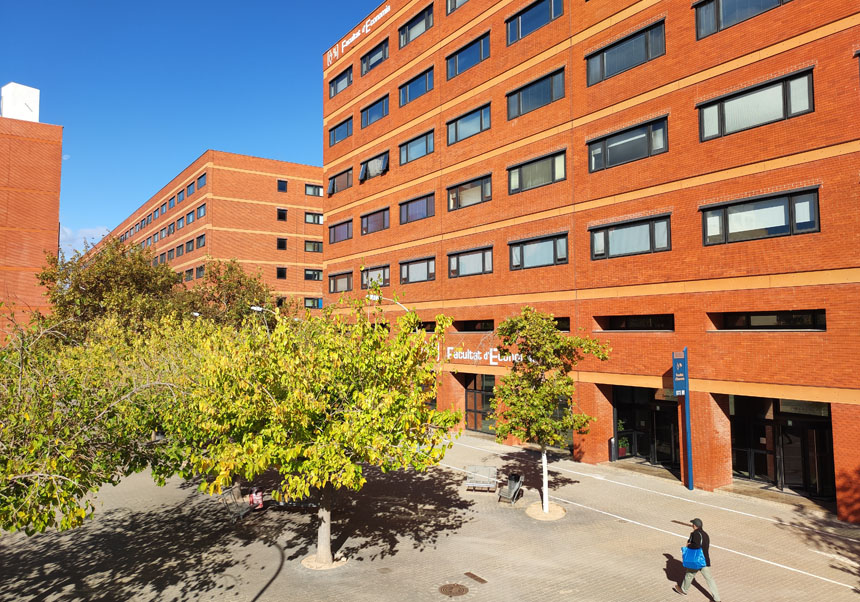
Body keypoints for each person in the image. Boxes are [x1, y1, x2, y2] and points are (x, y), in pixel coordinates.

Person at [674, 518, 721, 601]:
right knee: (710, 579)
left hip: (696, 560)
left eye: (692, 524)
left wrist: (688, 545)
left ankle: (684, 590)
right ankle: (717, 599)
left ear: (695, 525)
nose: (692, 525)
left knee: (689, 575)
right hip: (705, 560)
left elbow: (696, 545)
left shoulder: (695, 534)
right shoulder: (705, 534)